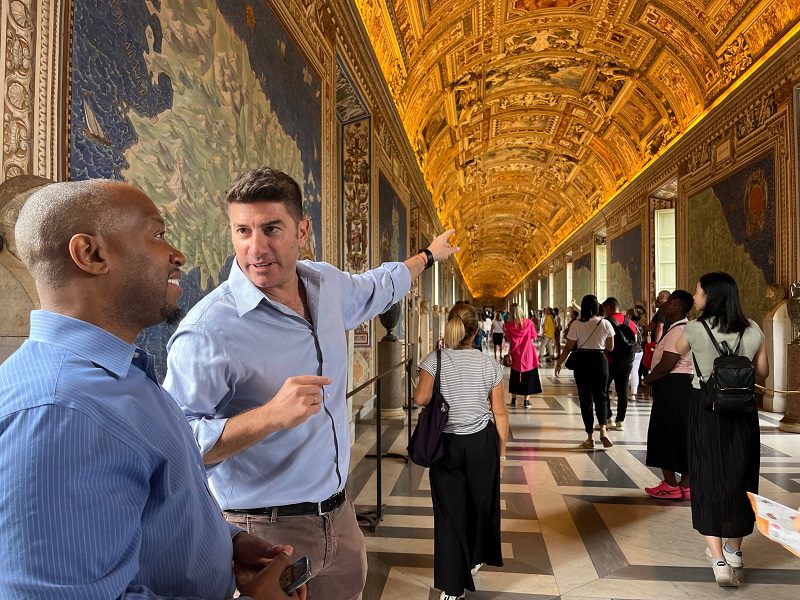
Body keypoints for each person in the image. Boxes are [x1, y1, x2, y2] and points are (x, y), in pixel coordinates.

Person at [164, 166, 459, 600]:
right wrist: (267, 417)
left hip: (340, 518)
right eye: (242, 231)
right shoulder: (208, 331)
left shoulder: (327, 283)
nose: (256, 248)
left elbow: (380, 285)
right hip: (265, 531)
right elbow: (176, 447)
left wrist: (429, 256)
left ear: (302, 230)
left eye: (271, 229)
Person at [0, 180, 299, 599]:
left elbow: (151, 504)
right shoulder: (60, 411)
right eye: (157, 235)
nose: (177, 255)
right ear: (92, 254)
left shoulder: (121, 375)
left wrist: (224, 543)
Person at [675, 272, 769, 587]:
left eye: (698, 292)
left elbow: (679, 349)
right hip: (743, 411)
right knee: (741, 475)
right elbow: (764, 372)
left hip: (706, 408)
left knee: (707, 476)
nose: (695, 295)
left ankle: (718, 560)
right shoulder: (754, 329)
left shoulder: (694, 329)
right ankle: (735, 549)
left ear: (710, 297)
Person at [413, 303, 507, 600]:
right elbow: (500, 414)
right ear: (477, 332)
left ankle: (453, 589)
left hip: (447, 446)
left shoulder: (435, 359)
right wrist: (502, 455)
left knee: (450, 515)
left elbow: (421, 398)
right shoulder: (489, 364)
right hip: (482, 444)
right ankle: (474, 557)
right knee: (480, 507)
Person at [642, 290, 694, 501]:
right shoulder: (679, 328)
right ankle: (686, 485)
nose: (664, 304)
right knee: (682, 433)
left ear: (678, 307)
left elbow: (668, 363)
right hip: (681, 385)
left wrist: (648, 379)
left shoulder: (678, 330)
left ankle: (671, 485)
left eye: (670, 302)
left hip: (673, 385)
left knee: (665, 433)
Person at [555, 295, 615, 449]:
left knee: (585, 400)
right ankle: (603, 430)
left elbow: (568, 347)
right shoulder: (605, 323)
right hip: (600, 361)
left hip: (582, 362)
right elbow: (610, 347)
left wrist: (559, 363)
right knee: (601, 397)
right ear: (597, 307)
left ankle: (590, 438)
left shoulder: (576, 324)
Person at [601, 297, 638, 430]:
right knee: (622, 391)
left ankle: (608, 418)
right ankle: (620, 421)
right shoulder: (630, 322)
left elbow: (602, 342)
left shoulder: (605, 322)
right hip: (627, 361)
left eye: (604, 308)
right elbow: (634, 341)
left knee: (603, 389)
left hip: (610, 361)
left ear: (609, 307)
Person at [503, 303, 542, 409]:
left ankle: (513, 400)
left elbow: (508, 338)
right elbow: (534, 336)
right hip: (527, 353)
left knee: (515, 376)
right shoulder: (529, 323)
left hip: (515, 353)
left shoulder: (509, 325)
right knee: (528, 376)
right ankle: (526, 401)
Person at [627, 307, 646, 401]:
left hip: (632, 351)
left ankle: (623, 391)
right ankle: (633, 393)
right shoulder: (641, 326)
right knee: (635, 372)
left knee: (627, 372)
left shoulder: (630, 325)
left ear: (630, 316)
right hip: (640, 351)